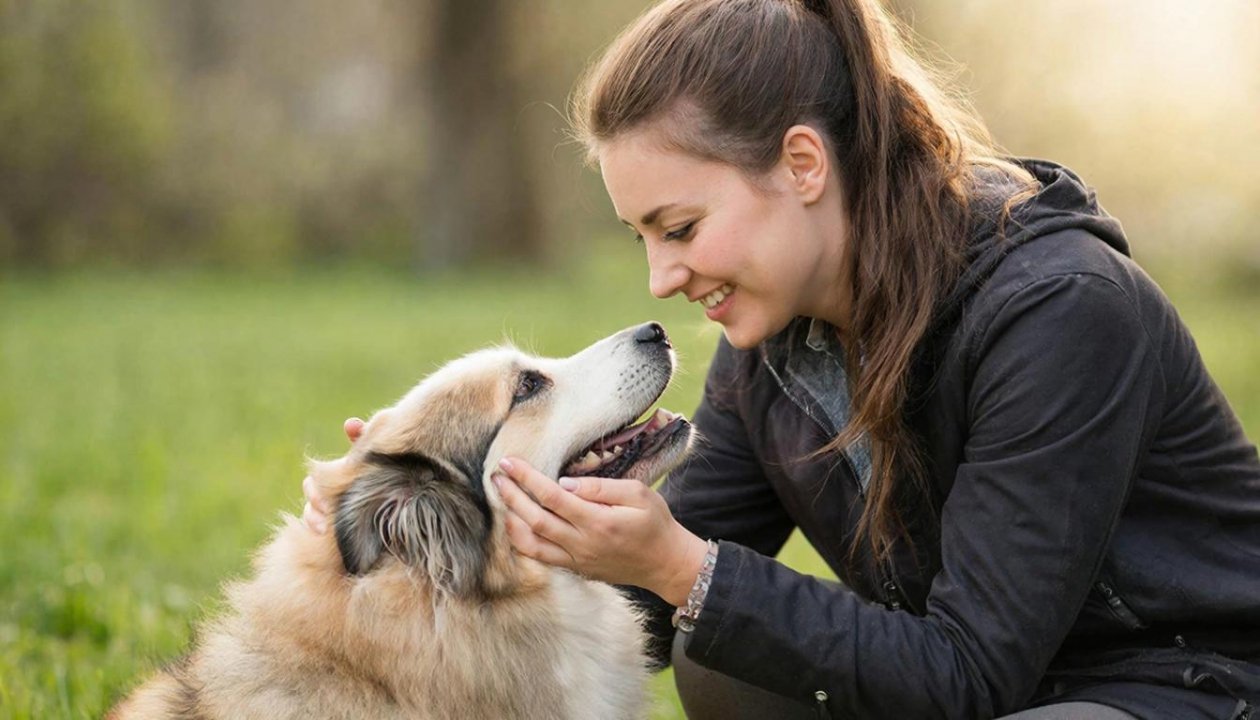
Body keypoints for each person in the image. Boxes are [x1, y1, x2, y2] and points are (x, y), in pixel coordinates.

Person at [303, 0, 1260, 717]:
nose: (661, 278)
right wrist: (427, 524)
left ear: (803, 164)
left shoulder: (1061, 311)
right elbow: (643, 600)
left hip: (1184, 680)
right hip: (1003, 683)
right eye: (642, 237)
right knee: (720, 657)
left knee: (721, 613)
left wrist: (687, 567)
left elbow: (969, 671)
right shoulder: (771, 350)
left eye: (680, 227)